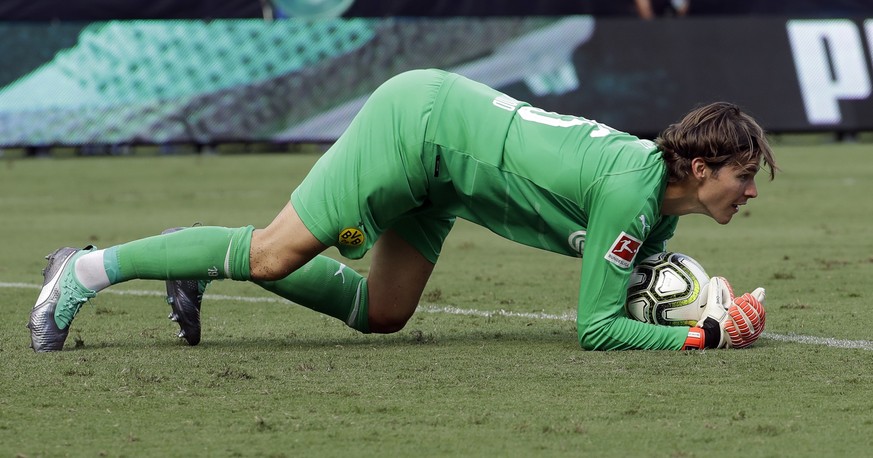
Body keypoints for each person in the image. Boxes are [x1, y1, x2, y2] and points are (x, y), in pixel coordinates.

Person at [28, 68, 776, 352]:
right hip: (416, 131)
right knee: (271, 254)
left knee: (382, 313)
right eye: (743, 176)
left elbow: (639, 292)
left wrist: (712, 304)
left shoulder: (660, 212)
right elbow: (595, 327)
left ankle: (193, 252)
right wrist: (702, 340)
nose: (748, 193)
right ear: (700, 165)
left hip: (445, 177)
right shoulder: (630, 194)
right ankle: (82, 272)